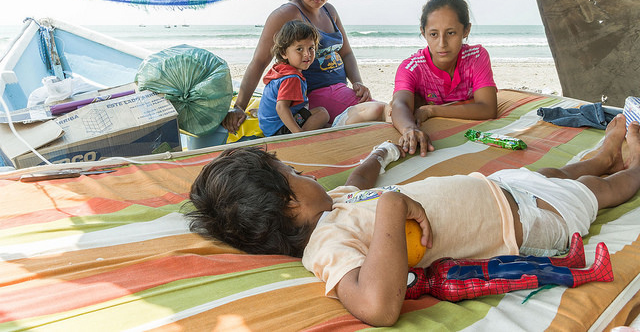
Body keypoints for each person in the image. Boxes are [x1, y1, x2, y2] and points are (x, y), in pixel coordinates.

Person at [187, 115, 640, 326]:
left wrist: (380, 154)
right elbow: (377, 307)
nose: (307, 174)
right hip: (528, 222)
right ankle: (633, 166)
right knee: (598, 193)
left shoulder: (333, 205)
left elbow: (360, 179)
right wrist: (392, 204)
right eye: (297, 174)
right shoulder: (325, 246)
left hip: (504, 189)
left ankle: (603, 154)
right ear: (289, 204)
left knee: (556, 173)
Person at [222, 0, 372, 133]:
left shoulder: (330, 11)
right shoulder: (286, 14)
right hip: (313, 96)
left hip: (339, 91)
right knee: (376, 112)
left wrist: (357, 83)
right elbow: (260, 61)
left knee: (370, 110)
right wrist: (239, 106)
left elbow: (346, 53)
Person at [391, 0, 498, 157]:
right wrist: (409, 129)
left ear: (466, 30)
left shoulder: (476, 57)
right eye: (434, 34)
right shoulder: (411, 67)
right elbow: (399, 104)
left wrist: (432, 111)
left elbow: (488, 108)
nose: (442, 43)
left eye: (451, 33)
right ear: (423, 32)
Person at [405, 232, 612, 302]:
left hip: (493, 263)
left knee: (530, 260)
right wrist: (519, 283)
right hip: (499, 275)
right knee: (537, 271)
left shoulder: (434, 267)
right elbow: (483, 288)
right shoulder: (444, 288)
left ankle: (570, 262)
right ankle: (595, 274)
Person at [257, 20, 329, 136]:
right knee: (323, 114)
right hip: (279, 129)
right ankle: (302, 137)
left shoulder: (280, 69)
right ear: (284, 53)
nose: (307, 54)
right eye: (299, 49)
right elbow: (281, 107)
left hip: (269, 125)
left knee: (319, 113)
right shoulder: (292, 78)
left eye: (311, 48)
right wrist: (298, 133)